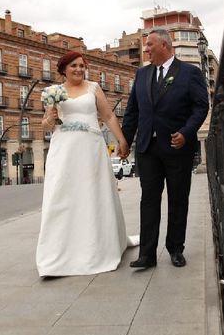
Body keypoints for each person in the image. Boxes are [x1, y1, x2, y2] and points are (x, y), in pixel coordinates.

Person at [36, 51, 133, 276]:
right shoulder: (53, 92)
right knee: (62, 195)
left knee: (92, 194)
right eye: (73, 66)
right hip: (64, 150)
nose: (79, 69)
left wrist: (122, 139)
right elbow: (47, 125)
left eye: (81, 65)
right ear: (63, 69)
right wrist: (49, 119)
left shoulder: (94, 88)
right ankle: (57, 254)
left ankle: (97, 247)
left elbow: (108, 116)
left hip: (91, 149)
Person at [121, 28, 209, 269]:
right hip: (147, 148)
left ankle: (175, 248)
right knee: (148, 200)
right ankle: (147, 254)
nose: (145, 49)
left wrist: (186, 132)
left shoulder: (190, 73)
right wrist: (125, 141)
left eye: (149, 45)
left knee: (178, 199)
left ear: (165, 45)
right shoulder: (141, 74)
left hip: (177, 146)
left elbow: (201, 107)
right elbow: (132, 112)